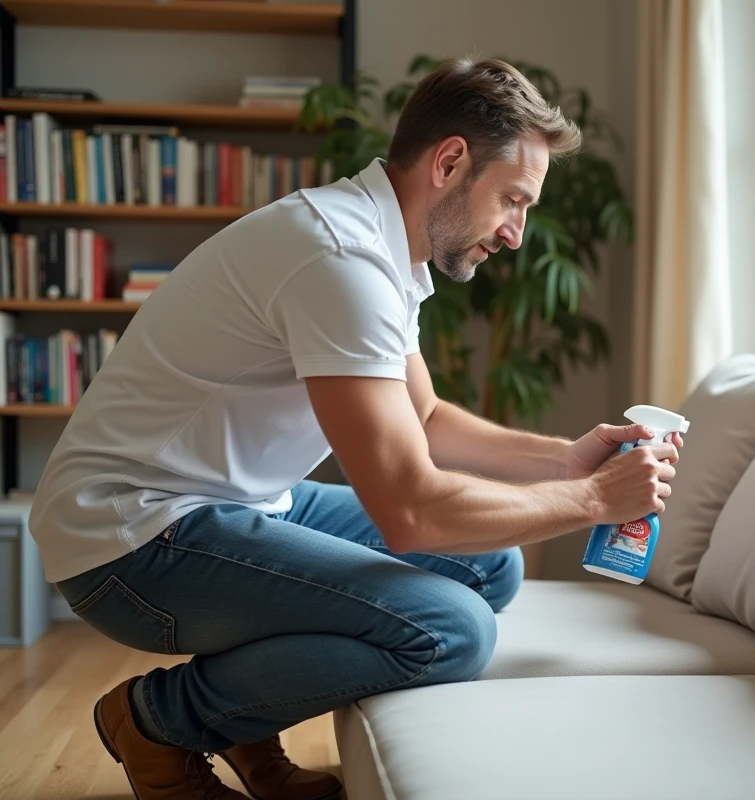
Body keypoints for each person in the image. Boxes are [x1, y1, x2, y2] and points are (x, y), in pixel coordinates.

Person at [29, 56, 681, 800]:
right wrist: (595, 501)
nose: (516, 234)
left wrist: (566, 461)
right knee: (454, 630)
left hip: (233, 502)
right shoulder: (341, 258)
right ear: (450, 162)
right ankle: (158, 720)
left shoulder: (378, 246)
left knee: (491, 565)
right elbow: (410, 512)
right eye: (512, 200)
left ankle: (245, 716)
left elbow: (424, 419)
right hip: (133, 537)